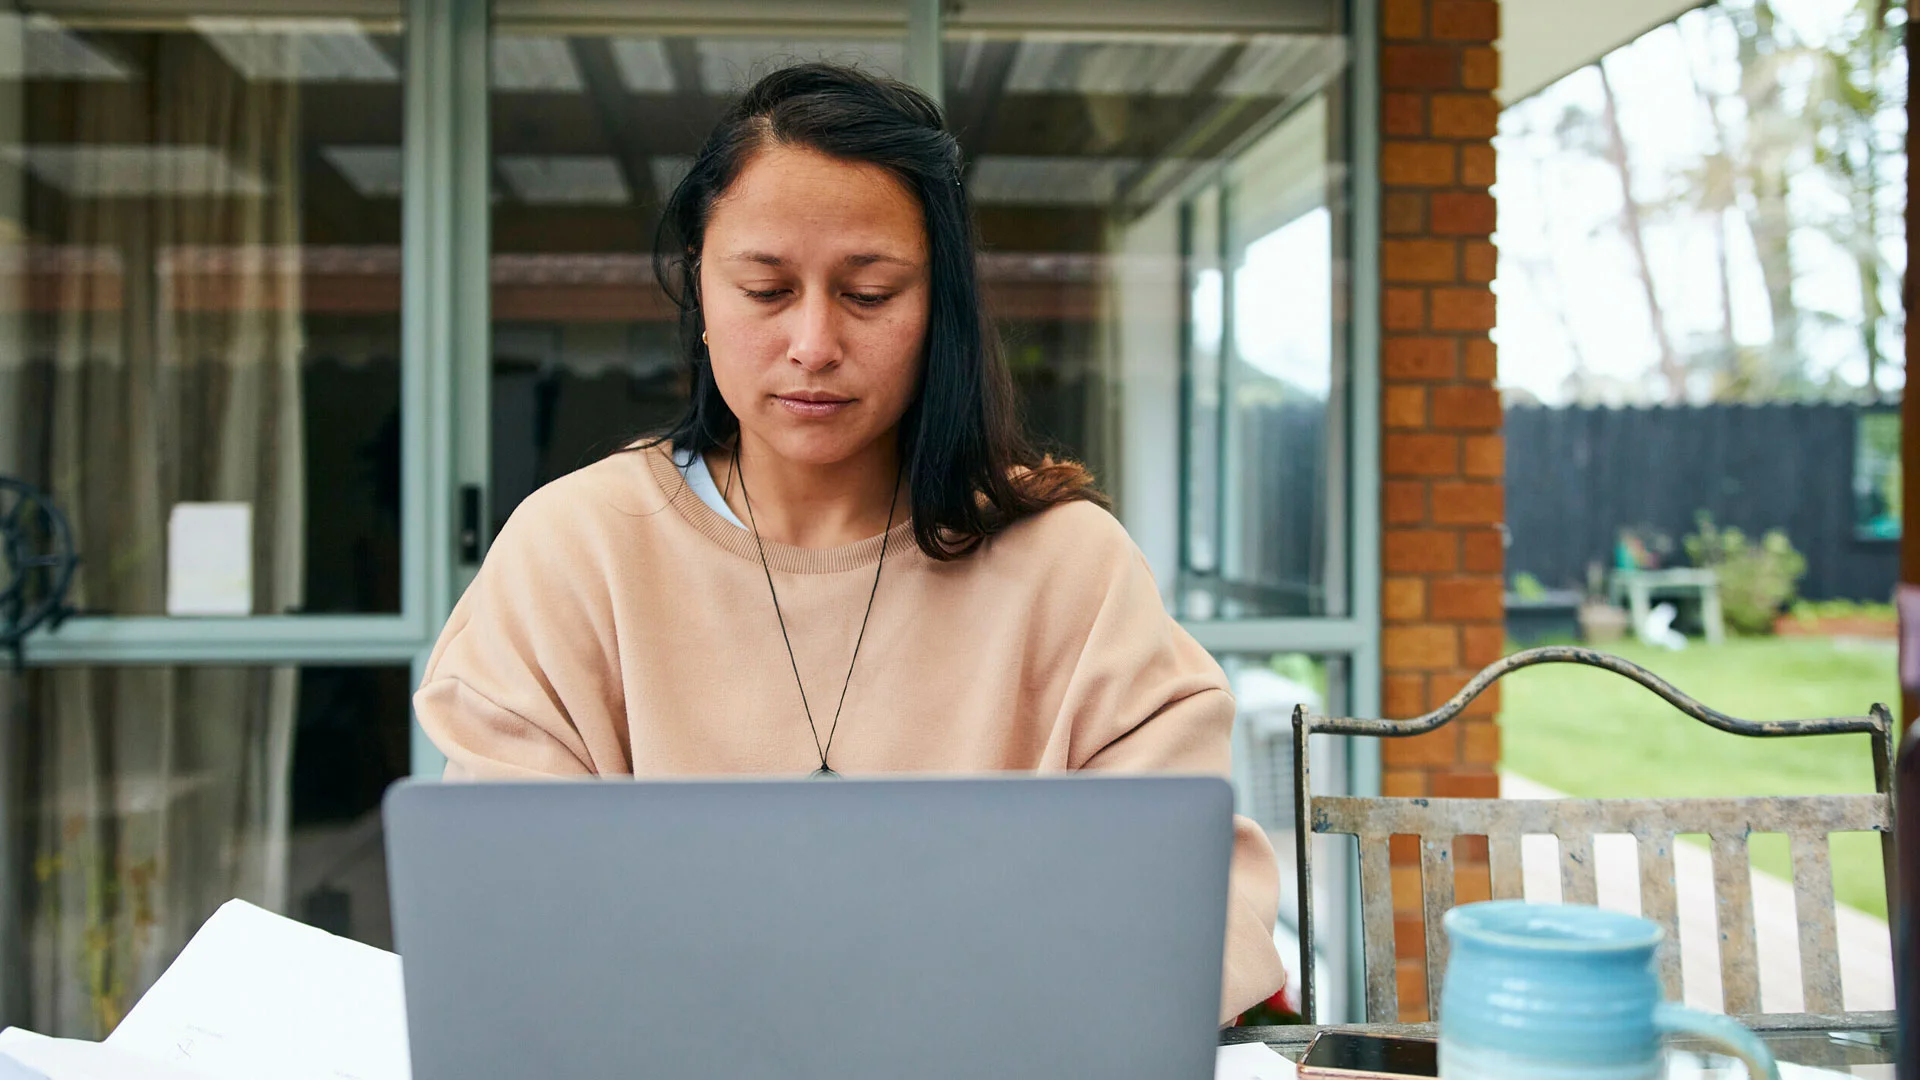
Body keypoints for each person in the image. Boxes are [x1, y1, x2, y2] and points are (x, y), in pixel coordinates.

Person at [414, 62, 1287, 1022]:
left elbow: (1200, 911)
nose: (815, 343)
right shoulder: (576, 550)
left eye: (870, 294)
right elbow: (510, 915)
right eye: (765, 288)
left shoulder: (1067, 568)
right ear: (700, 291)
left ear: (937, 307)